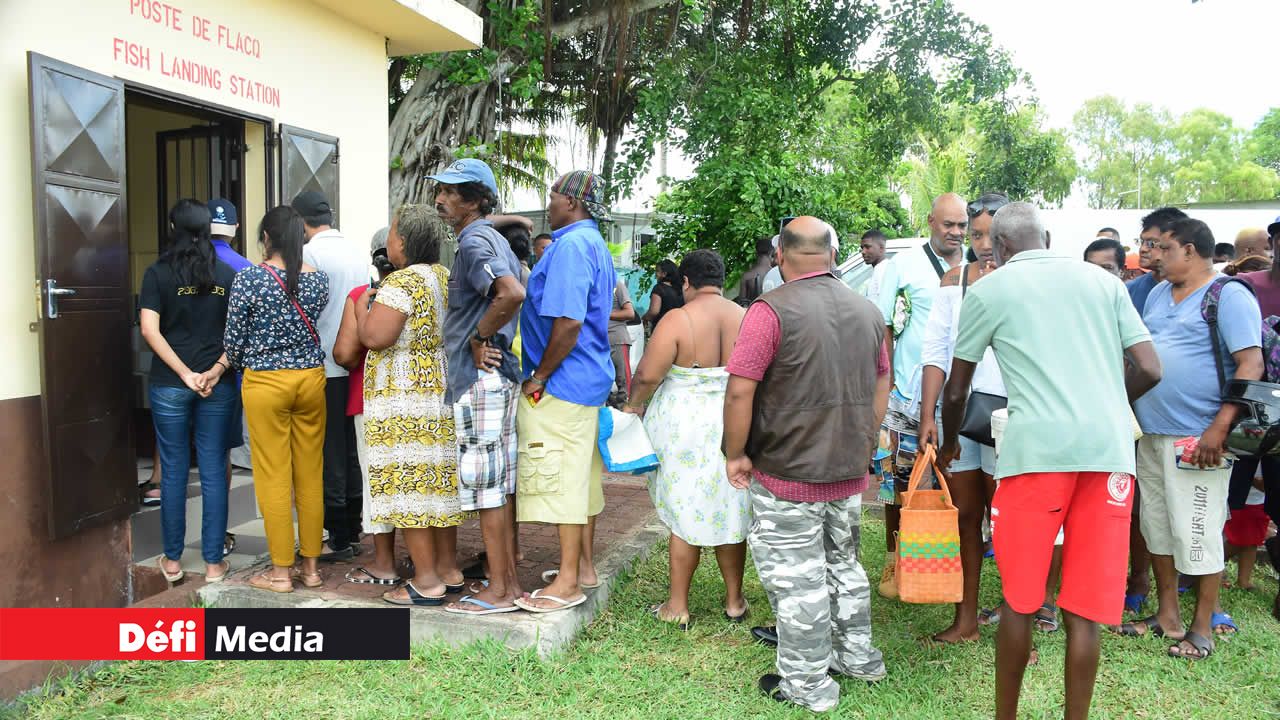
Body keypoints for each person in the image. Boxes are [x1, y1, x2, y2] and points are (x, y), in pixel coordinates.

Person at [940, 202, 1161, 720]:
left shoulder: (989, 289)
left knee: (1020, 601)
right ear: (1047, 237)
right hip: (1108, 455)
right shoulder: (1105, 283)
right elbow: (1151, 369)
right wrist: (1108, 407)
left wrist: (951, 443)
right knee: (1084, 611)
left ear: (999, 247)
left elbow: (956, 390)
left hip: (1035, 456)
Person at [723, 216, 889, 711]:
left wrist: (735, 453)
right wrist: (865, 434)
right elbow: (883, 378)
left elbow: (740, 391)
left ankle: (807, 685)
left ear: (780, 256)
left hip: (787, 467)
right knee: (844, 565)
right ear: (834, 255)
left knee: (799, 580)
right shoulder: (867, 310)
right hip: (848, 465)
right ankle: (858, 658)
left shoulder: (769, 311)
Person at [1120, 218, 1263, 659]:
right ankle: (1168, 617)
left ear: (1189, 250)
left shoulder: (1228, 295)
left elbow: (1250, 363)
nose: (1154, 255)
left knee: (1198, 530)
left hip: (1199, 438)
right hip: (1152, 432)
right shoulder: (1159, 293)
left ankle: (1201, 627)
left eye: (1163, 248)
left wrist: (1218, 428)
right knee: (1158, 527)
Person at [623, 249, 749, 630]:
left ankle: (677, 605)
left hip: (685, 427)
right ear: (721, 280)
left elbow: (648, 374)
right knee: (731, 507)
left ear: (687, 282)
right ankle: (734, 601)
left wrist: (633, 406)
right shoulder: (744, 316)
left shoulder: (678, 318)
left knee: (683, 510)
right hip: (733, 420)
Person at [513, 170, 616, 613]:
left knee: (562, 479)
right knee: (581, 475)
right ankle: (583, 568)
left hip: (563, 380)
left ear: (571, 202)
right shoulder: (591, 242)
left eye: (553, 195)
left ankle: (569, 582)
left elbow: (569, 322)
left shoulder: (572, 246)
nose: (548, 203)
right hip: (584, 377)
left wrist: (540, 375)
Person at [428, 158, 528, 615]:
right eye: (441, 190)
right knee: (498, 487)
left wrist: (477, 337)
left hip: (480, 380)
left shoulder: (473, 242)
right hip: (497, 378)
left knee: (487, 489)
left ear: (474, 201)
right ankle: (506, 585)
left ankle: (500, 591)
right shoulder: (491, 237)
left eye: (451, 193)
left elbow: (511, 293)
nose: (440, 199)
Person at [355, 204, 468, 606]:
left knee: (411, 487)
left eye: (392, 233)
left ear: (403, 242)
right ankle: (449, 569)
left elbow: (376, 337)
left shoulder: (400, 283)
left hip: (404, 398)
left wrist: (361, 310)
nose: (388, 240)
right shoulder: (443, 275)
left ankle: (426, 581)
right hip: (436, 389)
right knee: (437, 484)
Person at [917, 192, 1007, 644]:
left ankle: (1017, 624)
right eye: (977, 235)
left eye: (993, 235)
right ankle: (965, 620)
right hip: (960, 414)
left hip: (1012, 419)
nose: (985, 244)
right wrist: (927, 414)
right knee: (964, 517)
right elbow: (936, 351)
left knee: (1009, 524)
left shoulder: (1025, 282)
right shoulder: (954, 280)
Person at [224, 205, 329, 593]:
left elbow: (233, 341)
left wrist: (242, 363)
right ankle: (312, 569)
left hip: (267, 382)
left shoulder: (250, 279)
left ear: (266, 238)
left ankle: (281, 572)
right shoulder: (319, 280)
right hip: (311, 379)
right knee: (310, 474)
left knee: (273, 476)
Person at [872, 192, 967, 599]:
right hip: (908, 393)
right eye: (949, 224)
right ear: (930, 221)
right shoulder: (904, 265)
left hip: (963, 395)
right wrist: (889, 379)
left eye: (962, 225)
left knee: (956, 481)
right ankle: (895, 559)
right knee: (899, 481)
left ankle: (947, 561)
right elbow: (882, 324)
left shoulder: (978, 266)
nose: (956, 232)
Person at [140, 199, 238, 584]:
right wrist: (214, 371)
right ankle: (214, 564)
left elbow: (149, 329)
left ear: (172, 227)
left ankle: (172, 561)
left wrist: (183, 373)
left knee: (174, 470)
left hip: (170, 384)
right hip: (217, 385)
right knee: (213, 469)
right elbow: (239, 333)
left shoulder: (157, 272)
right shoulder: (226, 274)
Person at [293, 190, 369, 562]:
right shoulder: (356, 251)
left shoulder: (309, 254)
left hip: (324, 363)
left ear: (300, 221)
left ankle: (336, 535)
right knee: (350, 447)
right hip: (354, 360)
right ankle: (353, 527)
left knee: (330, 451)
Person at [332, 227, 400, 586]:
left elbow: (344, 354)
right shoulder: (429, 290)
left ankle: (385, 562)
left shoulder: (363, 296)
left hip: (370, 398)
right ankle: (433, 562)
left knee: (377, 481)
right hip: (421, 398)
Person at [1235, 213, 1280, 622]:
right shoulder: (1245, 287)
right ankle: (1201, 574)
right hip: (1246, 409)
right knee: (1230, 494)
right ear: (1272, 242)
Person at [208, 197, 251, 556]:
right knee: (219, 453)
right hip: (226, 374)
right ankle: (218, 537)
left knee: (175, 456)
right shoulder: (245, 269)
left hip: (178, 374)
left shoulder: (170, 265)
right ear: (235, 229)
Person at [1127, 207, 1188, 315]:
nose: (1143, 249)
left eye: (1151, 243)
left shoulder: (1205, 290)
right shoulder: (1131, 289)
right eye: (1141, 241)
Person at [608, 277, 636, 405]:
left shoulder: (616, 285)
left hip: (617, 340)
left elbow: (630, 313)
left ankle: (630, 410)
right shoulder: (590, 285)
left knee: (625, 386)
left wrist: (603, 314)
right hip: (597, 341)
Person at [643, 259, 684, 332]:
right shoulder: (680, 289)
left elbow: (654, 311)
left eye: (657, 271)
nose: (655, 274)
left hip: (662, 328)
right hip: (679, 328)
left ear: (664, 274)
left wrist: (644, 318)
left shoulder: (659, 288)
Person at [735, 235, 775, 306]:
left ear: (756, 253)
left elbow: (742, 304)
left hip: (753, 311)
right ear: (771, 252)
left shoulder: (747, 276)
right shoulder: (777, 274)